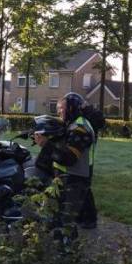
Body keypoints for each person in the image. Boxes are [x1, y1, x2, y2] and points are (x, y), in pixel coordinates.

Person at [32, 92, 96, 232]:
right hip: (67, 176)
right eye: (58, 108)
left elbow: (69, 158)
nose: (59, 112)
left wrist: (46, 145)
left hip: (75, 178)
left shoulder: (80, 128)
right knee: (57, 215)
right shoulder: (72, 124)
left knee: (66, 222)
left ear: (71, 109)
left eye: (62, 108)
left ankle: (69, 243)